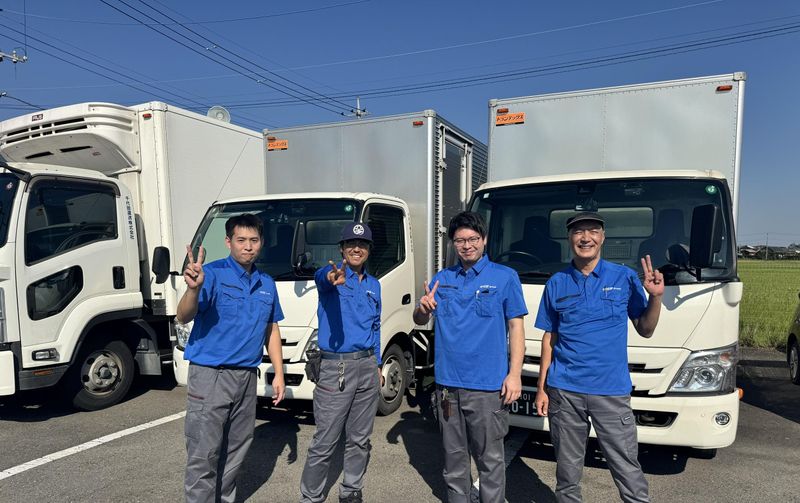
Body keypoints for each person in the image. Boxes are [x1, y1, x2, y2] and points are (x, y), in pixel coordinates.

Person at [534, 211, 664, 503]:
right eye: (578, 232)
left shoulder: (624, 277)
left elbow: (645, 329)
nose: (585, 238)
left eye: (592, 231)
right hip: (565, 391)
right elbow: (549, 338)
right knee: (567, 474)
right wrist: (542, 388)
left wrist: (655, 297)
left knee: (626, 468)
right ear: (569, 238)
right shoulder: (556, 282)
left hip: (611, 391)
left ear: (603, 237)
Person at [414, 211, 527, 503]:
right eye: (460, 240)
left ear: (484, 239)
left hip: (488, 387)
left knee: (490, 461)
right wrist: (422, 308)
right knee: (453, 460)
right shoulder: (443, 279)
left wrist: (514, 374)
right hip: (448, 387)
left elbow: (516, 327)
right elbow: (419, 318)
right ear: (453, 243)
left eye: (473, 239)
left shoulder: (505, 277)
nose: (467, 245)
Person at [177, 213, 286, 503]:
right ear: (228, 242)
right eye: (241, 240)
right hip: (210, 376)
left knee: (237, 450)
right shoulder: (211, 274)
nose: (248, 246)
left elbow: (271, 329)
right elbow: (183, 315)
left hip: (246, 377)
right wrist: (192, 288)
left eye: (254, 240)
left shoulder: (266, 283)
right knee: (204, 453)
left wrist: (279, 373)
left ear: (262, 242)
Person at [300, 222, 383, 503]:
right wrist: (330, 276)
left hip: (367, 366)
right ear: (342, 249)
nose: (356, 248)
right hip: (336, 368)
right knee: (325, 440)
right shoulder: (331, 277)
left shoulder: (374, 285)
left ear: (369, 249)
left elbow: (375, 327)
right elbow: (322, 277)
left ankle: (351, 489)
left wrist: (378, 364)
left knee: (360, 438)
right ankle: (311, 497)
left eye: (362, 244)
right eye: (351, 244)